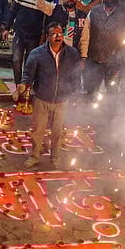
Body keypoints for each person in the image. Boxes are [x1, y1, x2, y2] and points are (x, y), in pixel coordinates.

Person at [20, 22, 81, 168]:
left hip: (62, 99)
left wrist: (76, 93)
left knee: (57, 132)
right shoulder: (37, 54)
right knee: (38, 130)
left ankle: (55, 157)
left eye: (60, 33)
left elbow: (76, 76)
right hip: (42, 98)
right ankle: (34, 156)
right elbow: (28, 74)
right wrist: (24, 85)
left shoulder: (72, 54)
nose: (58, 36)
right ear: (47, 37)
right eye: (54, 33)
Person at [78, 0, 125, 100]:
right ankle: (88, 115)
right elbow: (85, 36)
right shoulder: (93, 12)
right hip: (93, 60)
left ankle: (108, 117)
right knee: (90, 91)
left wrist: (124, 60)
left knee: (112, 93)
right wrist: (83, 57)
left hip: (114, 62)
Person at [7, 0, 51, 83]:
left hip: (35, 35)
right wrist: (7, 27)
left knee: (30, 62)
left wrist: (45, 35)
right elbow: (13, 11)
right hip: (20, 33)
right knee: (16, 60)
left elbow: (48, 18)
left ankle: (26, 84)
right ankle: (18, 84)